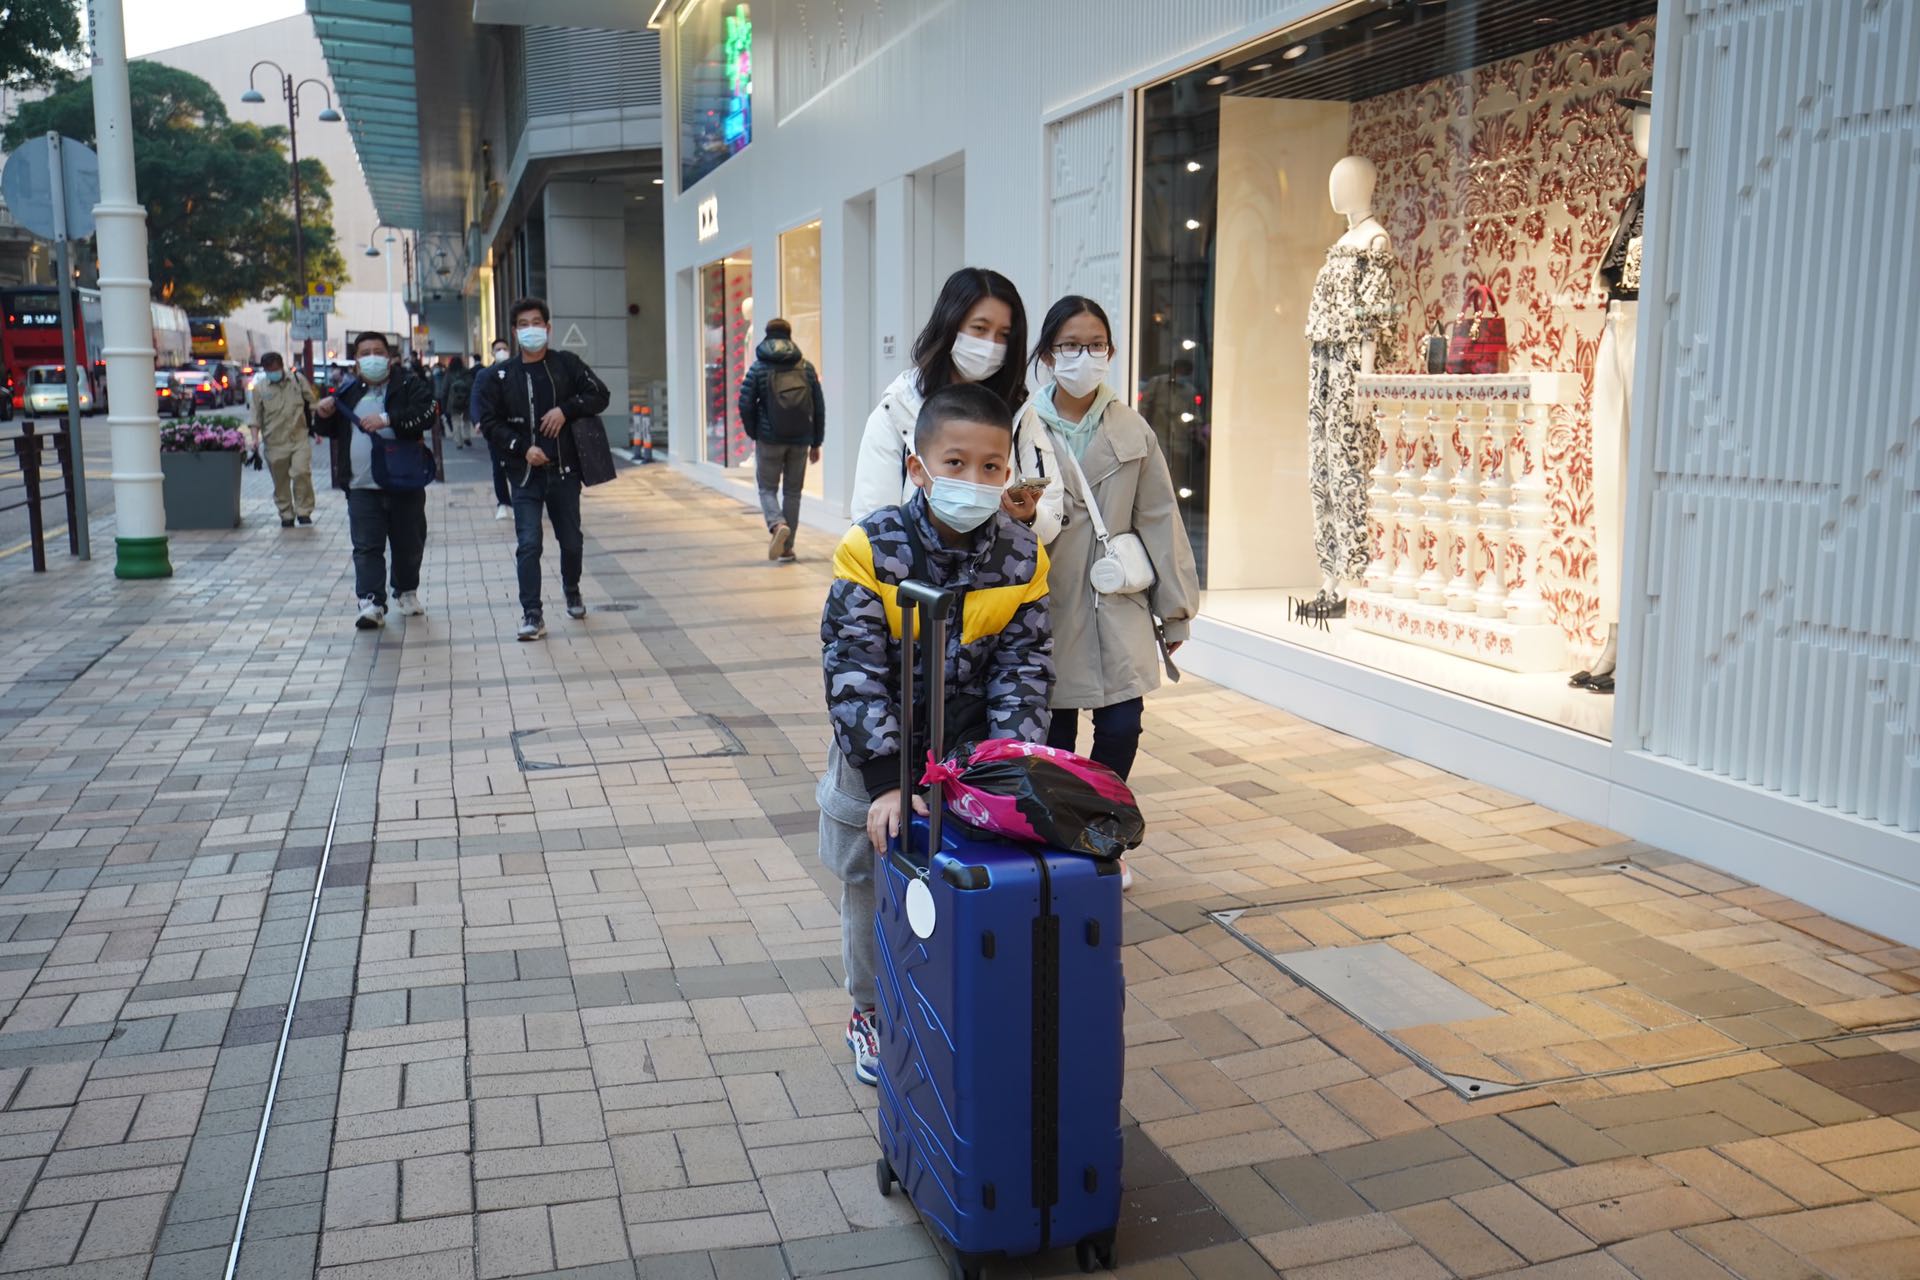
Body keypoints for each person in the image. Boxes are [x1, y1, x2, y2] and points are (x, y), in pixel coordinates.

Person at [819, 382, 1054, 1085]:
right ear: (918, 467)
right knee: (872, 875)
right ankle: (868, 1010)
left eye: (991, 466)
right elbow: (853, 668)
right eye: (955, 463)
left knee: (961, 874)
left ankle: (947, 1001)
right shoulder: (871, 547)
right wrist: (885, 781)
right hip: (876, 751)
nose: (974, 479)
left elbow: (1025, 670)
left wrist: (1008, 767)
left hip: (967, 752)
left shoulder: (1022, 555)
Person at [1026, 296, 1199, 891]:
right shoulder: (1025, 426)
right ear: (1049, 354)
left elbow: (1160, 518)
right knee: (1054, 734)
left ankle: (1102, 831)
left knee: (1122, 723)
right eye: (1071, 345)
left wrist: (1175, 614)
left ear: (1111, 351)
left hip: (1115, 598)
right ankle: (1062, 838)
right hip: (1045, 603)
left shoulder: (1132, 428)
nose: (1085, 355)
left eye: (1095, 344)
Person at [848, 267, 1063, 542]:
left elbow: (1051, 517)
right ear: (950, 324)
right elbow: (872, 524)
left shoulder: (1020, 414)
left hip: (997, 566)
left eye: (1003, 335)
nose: (991, 345)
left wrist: (1029, 516)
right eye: (980, 328)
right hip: (912, 567)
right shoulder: (899, 408)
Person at [477, 297, 612, 641]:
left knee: (571, 541)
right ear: (514, 332)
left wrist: (566, 410)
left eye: (536, 323)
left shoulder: (566, 364)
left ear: (548, 328)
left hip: (564, 472)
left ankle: (572, 589)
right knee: (529, 543)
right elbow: (489, 423)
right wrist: (522, 448)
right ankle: (532, 614)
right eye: (523, 325)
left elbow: (600, 394)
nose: (531, 330)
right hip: (525, 475)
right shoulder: (500, 376)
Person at [312, 331, 440, 630]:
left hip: (405, 481)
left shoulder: (408, 385)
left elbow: (427, 414)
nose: (372, 357)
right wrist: (323, 414)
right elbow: (328, 430)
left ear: (390, 357)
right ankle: (371, 601)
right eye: (365, 352)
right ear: (356, 360)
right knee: (366, 546)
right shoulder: (347, 391)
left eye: (378, 352)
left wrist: (388, 418)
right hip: (361, 485)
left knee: (409, 542)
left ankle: (405, 590)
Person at [737, 317, 825, 561]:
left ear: (767, 335)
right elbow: (818, 407)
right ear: (789, 335)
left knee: (767, 488)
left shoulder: (759, 368)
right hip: (800, 440)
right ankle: (787, 548)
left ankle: (777, 524)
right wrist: (816, 442)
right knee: (793, 493)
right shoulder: (805, 367)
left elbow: (745, 403)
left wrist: (755, 432)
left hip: (769, 439)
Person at [250, 352, 318, 528]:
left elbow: (312, 403)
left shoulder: (297, 380)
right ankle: (286, 513)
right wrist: (254, 439)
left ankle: (304, 511)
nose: (273, 372)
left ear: (281, 366)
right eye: (269, 370)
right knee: (280, 481)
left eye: (275, 369)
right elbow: (255, 417)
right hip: (274, 443)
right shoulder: (259, 389)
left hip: (299, 438)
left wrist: (316, 429)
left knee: (301, 472)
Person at [473, 339, 515, 520]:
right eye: (498, 349)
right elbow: (475, 398)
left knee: (519, 465)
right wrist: (478, 421)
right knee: (498, 467)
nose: (502, 352)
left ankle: (521, 501)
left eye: (505, 348)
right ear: (492, 353)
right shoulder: (484, 374)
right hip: (495, 428)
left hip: (517, 427)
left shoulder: (517, 370)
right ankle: (503, 502)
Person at [445, 356, 475, 448]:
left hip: (453, 401)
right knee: (466, 419)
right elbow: (471, 385)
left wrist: (444, 403)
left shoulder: (449, 374)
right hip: (466, 400)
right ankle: (467, 437)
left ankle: (458, 442)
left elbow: (445, 389)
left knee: (455, 421)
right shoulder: (466, 372)